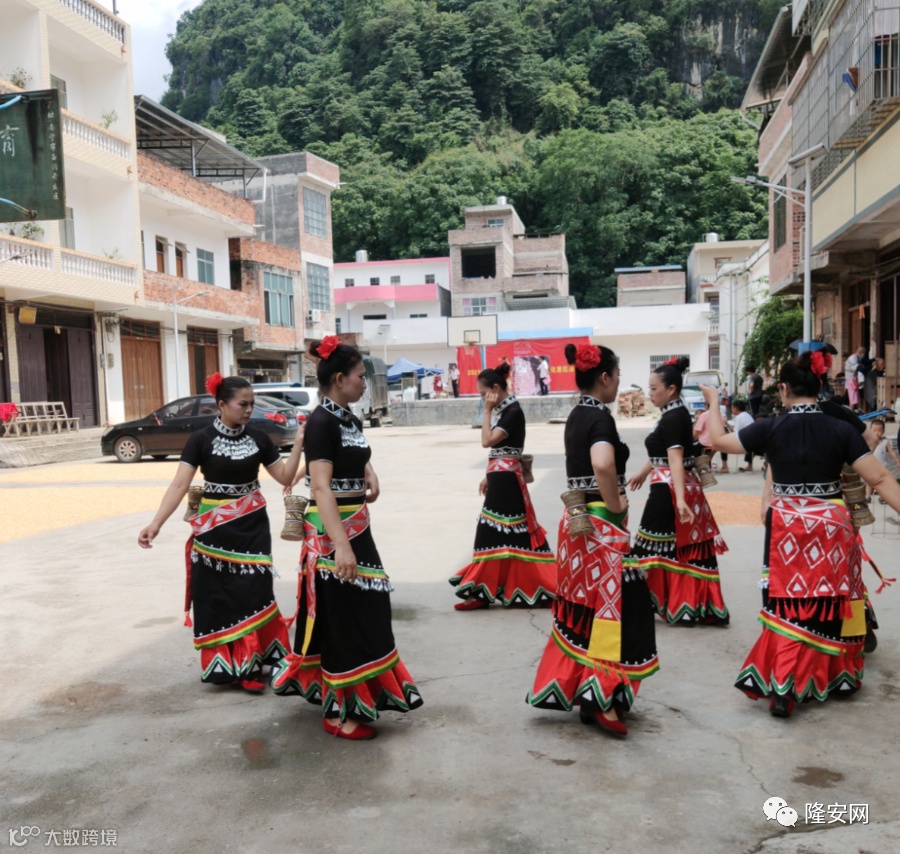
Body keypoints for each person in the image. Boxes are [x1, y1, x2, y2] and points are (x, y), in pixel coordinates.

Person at [702, 349, 900, 718]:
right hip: (831, 525)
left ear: (783, 388)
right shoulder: (840, 428)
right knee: (826, 603)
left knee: (787, 603)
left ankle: (783, 686)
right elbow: (881, 478)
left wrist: (713, 401)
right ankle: (829, 677)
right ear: (820, 385)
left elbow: (717, 441)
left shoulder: (771, 427)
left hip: (788, 528)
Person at [272, 336, 423, 739]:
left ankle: (359, 695)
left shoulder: (347, 419)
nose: (363, 383)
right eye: (359, 376)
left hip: (359, 525)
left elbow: (356, 454)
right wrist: (341, 545)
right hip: (334, 533)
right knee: (343, 618)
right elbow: (320, 486)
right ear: (340, 379)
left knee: (368, 611)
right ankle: (337, 712)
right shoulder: (321, 422)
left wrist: (369, 471)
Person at [138, 374, 304, 693]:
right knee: (220, 596)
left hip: (253, 527)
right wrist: (155, 523)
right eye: (243, 404)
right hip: (214, 530)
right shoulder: (200, 440)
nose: (249, 410)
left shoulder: (259, 437)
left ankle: (254, 661)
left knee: (255, 590)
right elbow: (179, 484)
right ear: (222, 404)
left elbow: (284, 476)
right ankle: (234, 666)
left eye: (252, 404)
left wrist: (298, 443)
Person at [527, 342, 658, 737]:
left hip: (578, 524)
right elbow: (603, 463)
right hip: (601, 526)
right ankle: (602, 697)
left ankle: (587, 690)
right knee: (616, 610)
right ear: (604, 377)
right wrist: (616, 502)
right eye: (617, 376)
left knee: (587, 607)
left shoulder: (576, 415)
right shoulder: (600, 418)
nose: (618, 383)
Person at [629, 356, 729, 626]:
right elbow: (665, 453)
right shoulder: (674, 414)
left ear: (671, 389)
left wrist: (680, 500)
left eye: (654, 388)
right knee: (678, 547)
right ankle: (686, 605)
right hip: (673, 486)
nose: (650, 394)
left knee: (647, 546)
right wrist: (643, 472)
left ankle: (640, 604)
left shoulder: (674, 417)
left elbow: (675, 459)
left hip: (669, 490)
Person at [450, 361, 557, 610]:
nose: (482, 399)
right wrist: (490, 475)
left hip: (507, 482)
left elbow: (487, 441)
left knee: (489, 532)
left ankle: (482, 593)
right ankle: (540, 587)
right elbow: (501, 451)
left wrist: (486, 410)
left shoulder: (512, 411)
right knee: (514, 534)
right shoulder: (507, 410)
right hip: (502, 478)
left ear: (495, 389)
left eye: (483, 394)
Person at [694, 397, 730, 473]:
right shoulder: (720, 416)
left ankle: (701, 470)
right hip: (717, 443)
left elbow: (697, 431)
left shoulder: (704, 415)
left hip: (705, 443)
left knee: (692, 451)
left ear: (707, 405)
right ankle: (717, 466)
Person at [729, 400, 755, 471]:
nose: (732, 409)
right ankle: (749, 465)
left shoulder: (739, 417)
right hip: (753, 437)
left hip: (748, 439)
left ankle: (724, 465)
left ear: (736, 408)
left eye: (732, 407)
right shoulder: (747, 415)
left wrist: (726, 423)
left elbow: (735, 432)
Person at [844, 346, 865, 411]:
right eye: (863, 353)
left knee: (856, 398)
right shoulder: (853, 358)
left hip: (853, 379)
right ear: (860, 352)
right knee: (852, 399)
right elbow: (858, 368)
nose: (863, 355)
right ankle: (850, 412)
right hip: (851, 380)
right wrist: (864, 368)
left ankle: (856, 411)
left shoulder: (856, 358)